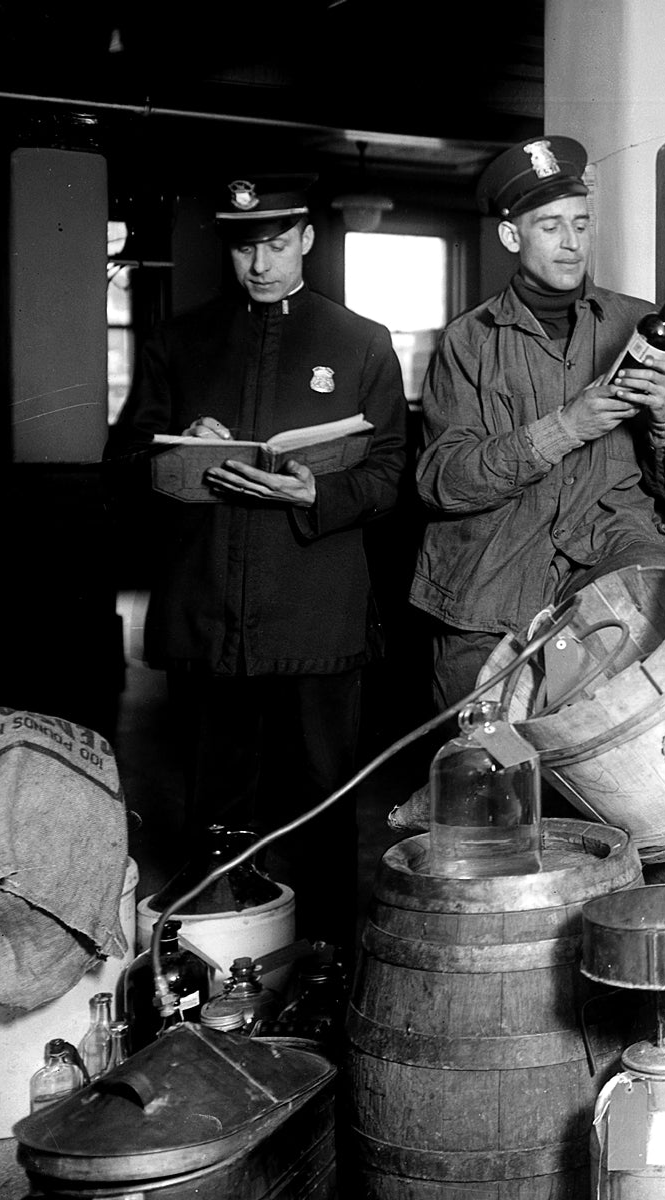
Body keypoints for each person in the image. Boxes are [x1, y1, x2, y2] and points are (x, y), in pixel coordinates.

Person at [107, 174, 407, 946]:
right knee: (214, 807)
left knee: (323, 803)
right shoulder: (180, 341)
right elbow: (127, 460)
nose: (262, 264)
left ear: (308, 237)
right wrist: (177, 451)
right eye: (245, 248)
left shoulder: (361, 342)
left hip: (316, 615)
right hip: (209, 615)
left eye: (276, 243)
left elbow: (389, 475)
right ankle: (218, 969)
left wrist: (317, 491)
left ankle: (329, 964)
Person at [411, 135, 665, 709]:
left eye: (582, 224)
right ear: (512, 235)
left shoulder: (634, 321)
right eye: (551, 227)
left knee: (627, 760)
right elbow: (441, 481)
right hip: (491, 587)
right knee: (490, 769)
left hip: (612, 572)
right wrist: (565, 426)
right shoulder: (469, 342)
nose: (572, 244)